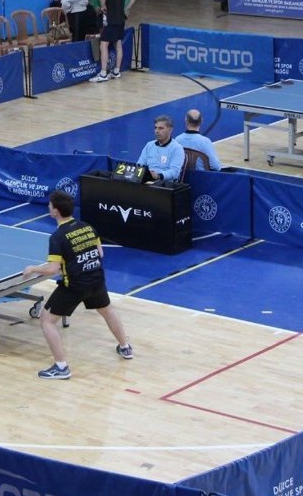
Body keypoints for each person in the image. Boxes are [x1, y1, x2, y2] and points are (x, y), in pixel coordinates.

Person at [22, 190, 133, 379]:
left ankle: (61, 367)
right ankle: (125, 347)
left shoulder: (57, 237)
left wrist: (33, 269)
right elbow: (100, 253)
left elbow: (53, 269)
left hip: (75, 285)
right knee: (107, 311)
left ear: (55, 211)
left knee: (47, 320)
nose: (48, 206)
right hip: (96, 278)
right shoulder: (87, 227)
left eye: (50, 205)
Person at [89, 0, 138, 83]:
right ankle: (116, 71)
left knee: (103, 45)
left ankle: (103, 74)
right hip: (121, 19)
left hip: (110, 20)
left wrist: (103, 6)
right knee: (118, 44)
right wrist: (127, 8)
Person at [137, 114, 185, 182]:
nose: (157, 131)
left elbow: (175, 172)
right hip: (147, 180)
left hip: (164, 184)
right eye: (155, 128)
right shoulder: (149, 145)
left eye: (160, 128)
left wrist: (158, 176)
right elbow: (140, 164)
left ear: (170, 130)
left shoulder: (177, 148)